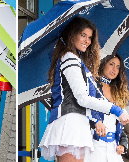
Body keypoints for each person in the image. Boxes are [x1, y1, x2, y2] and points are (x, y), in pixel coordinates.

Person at [39, 17, 129, 162]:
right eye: (83, 35)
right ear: (72, 35)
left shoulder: (76, 60)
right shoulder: (69, 58)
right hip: (69, 124)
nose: (87, 41)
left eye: (90, 37)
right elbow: (82, 98)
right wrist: (116, 110)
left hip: (79, 125)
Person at [84, 54, 129, 162]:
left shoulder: (118, 91)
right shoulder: (92, 86)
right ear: (103, 64)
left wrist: (123, 144)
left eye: (118, 67)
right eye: (111, 64)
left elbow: (119, 125)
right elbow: (84, 109)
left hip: (113, 148)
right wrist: (95, 122)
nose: (114, 69)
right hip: (93, 145)